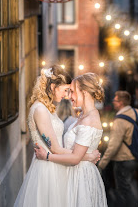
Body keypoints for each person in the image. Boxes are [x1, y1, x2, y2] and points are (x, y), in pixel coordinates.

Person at [14, 66, 99, 207]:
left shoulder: (47, 108)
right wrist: (87, 156)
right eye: (65, 90)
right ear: (53, 86)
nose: (66, 95)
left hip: (55, 166)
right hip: (48, 170)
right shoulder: (40, 109)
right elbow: (55, 149)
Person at [35, 72, 108, 207]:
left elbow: (75, 158)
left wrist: (46, 156)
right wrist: (87, 156)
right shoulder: (83, 115)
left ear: (84, 92)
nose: (69, 96)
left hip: (81, 178)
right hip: (74, 174)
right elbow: (76, 154)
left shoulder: (89, 120)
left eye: (72, 92)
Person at [98, 91, 138, 207]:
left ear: (121, 103)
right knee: (127, 186)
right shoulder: (136, 112)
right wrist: (137, 142)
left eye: (115, 100)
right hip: (134, 158)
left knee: (124, 189)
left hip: (122, 159)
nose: (113, 102)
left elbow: (113, 145)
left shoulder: (119, 121)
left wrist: (102, 164)